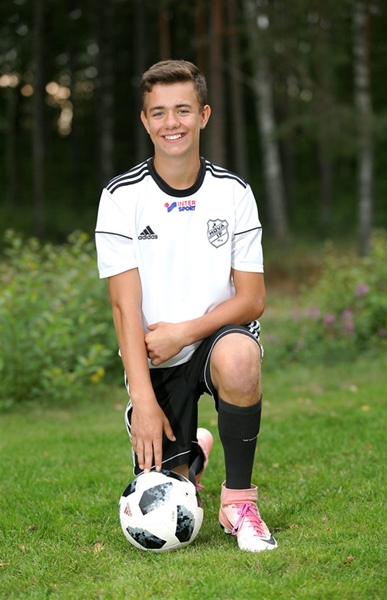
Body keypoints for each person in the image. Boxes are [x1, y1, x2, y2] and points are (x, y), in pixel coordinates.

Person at [95, 59, 277, 552]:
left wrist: (186, 331)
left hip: (217, 338)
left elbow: (253, 299)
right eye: (158, 112)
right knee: (170, 492)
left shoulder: (233, 192)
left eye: (182, 110)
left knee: (239, 358)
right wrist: (144, 401)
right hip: (156, 355)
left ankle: (239, 502)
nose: (170, 123)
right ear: (145, 121)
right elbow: (124, 308)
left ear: (203, 115)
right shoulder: (121, 197)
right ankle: (189, 457)